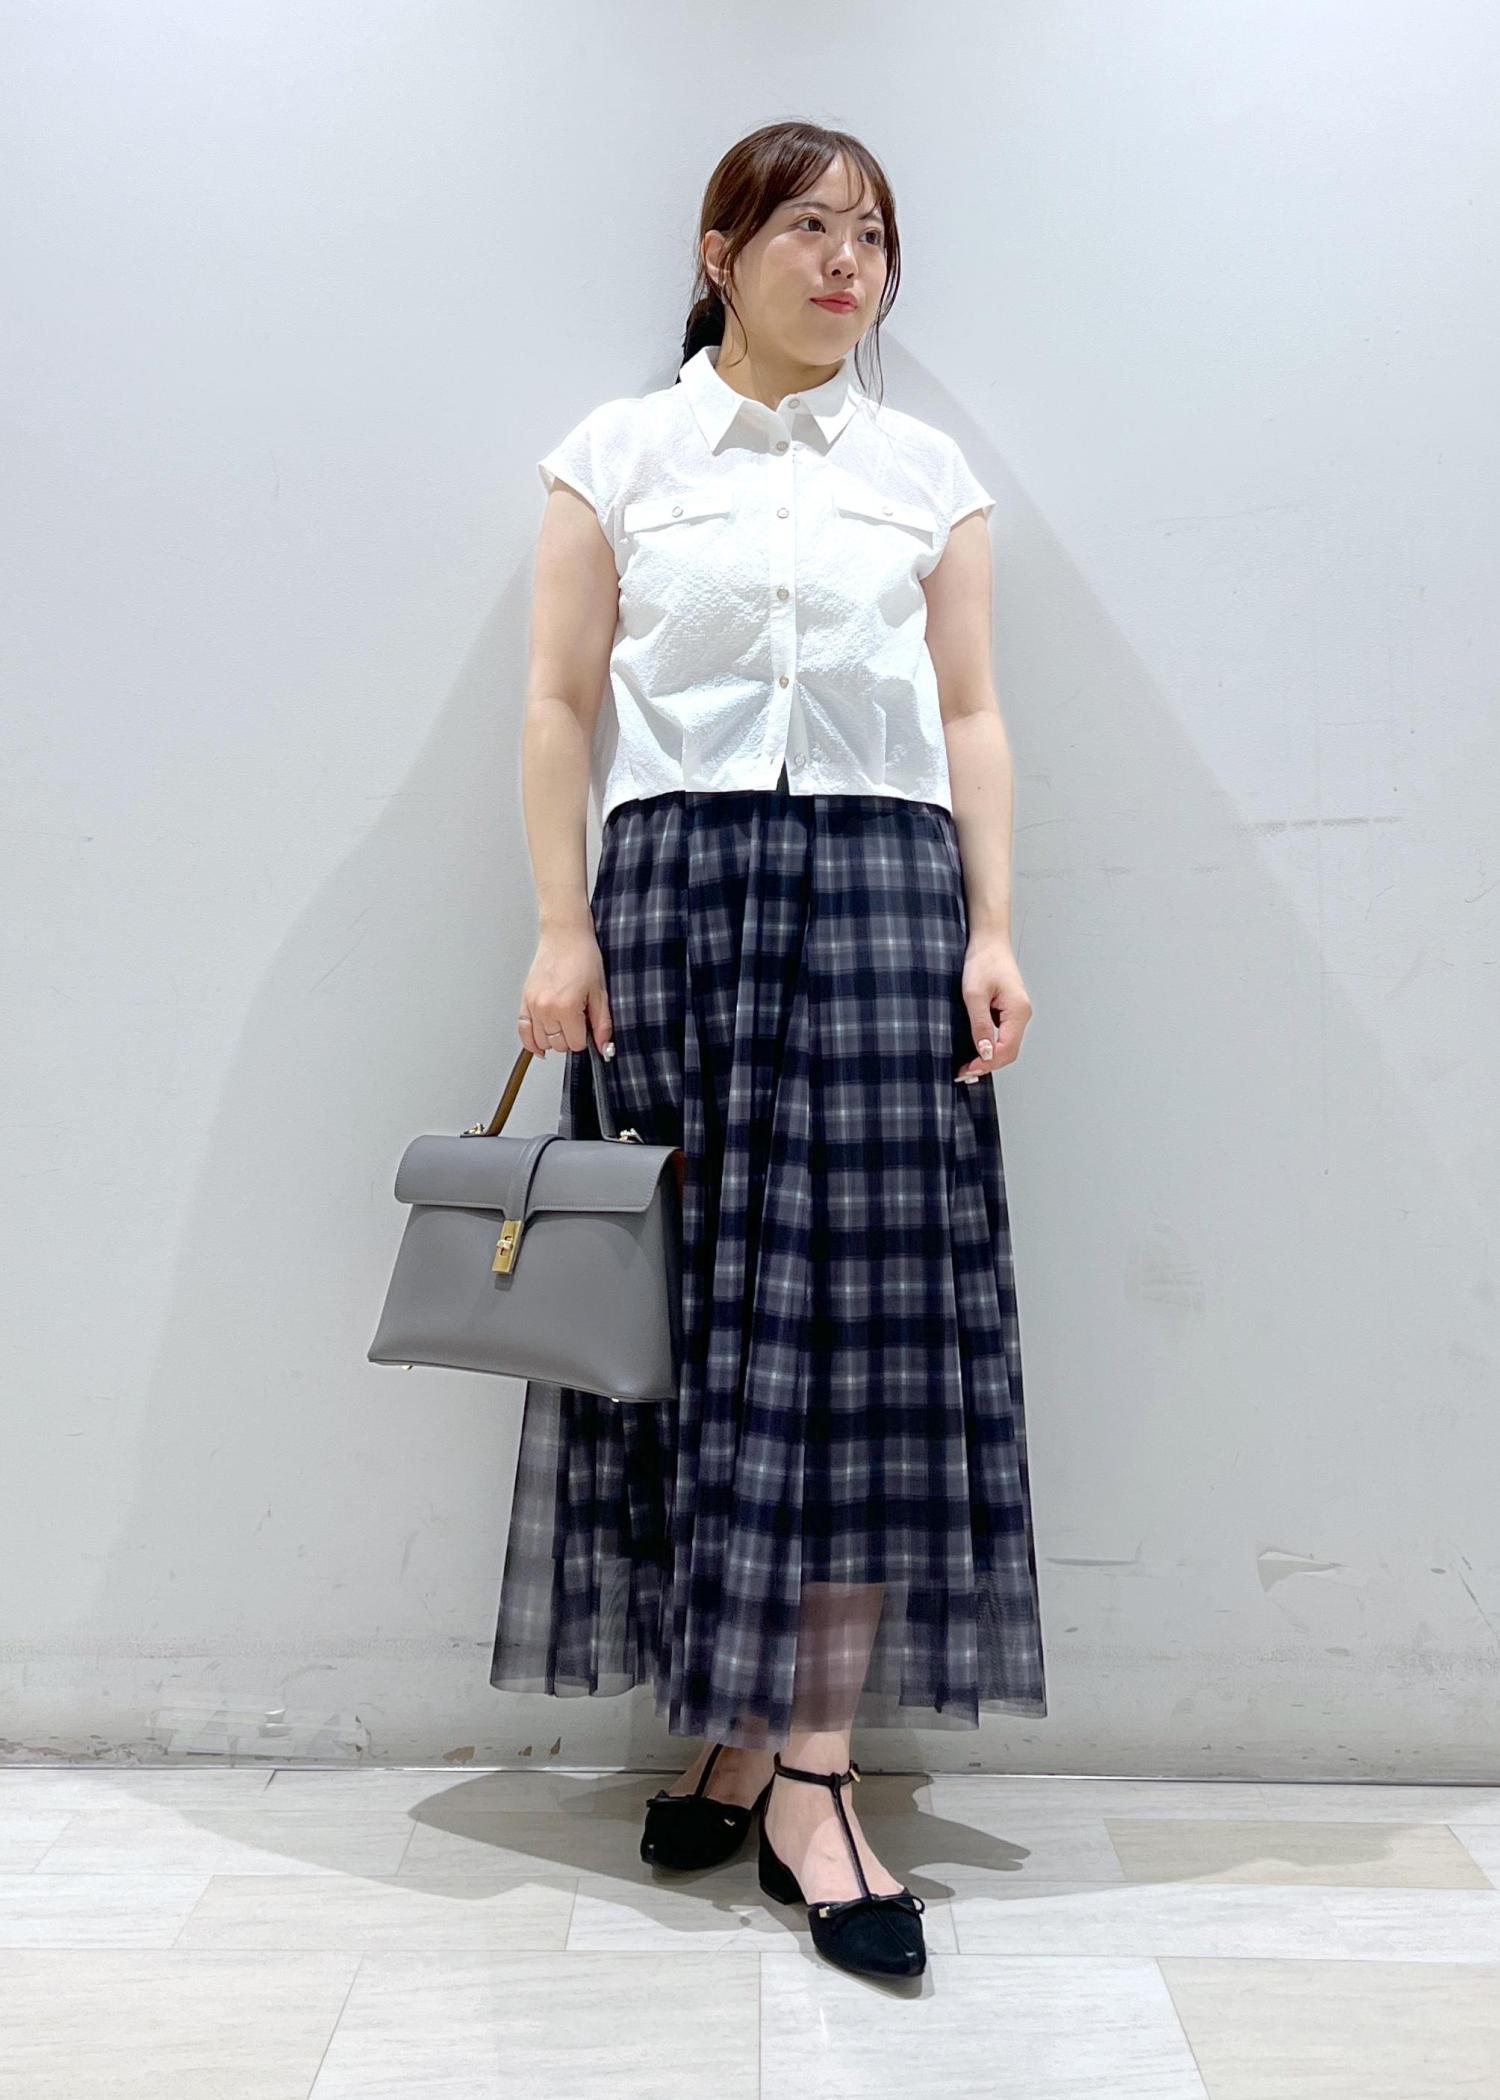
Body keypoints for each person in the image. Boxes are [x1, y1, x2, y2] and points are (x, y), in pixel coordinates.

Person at [490, 119, 1046, 1981]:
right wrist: (560, 925)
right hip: (676, 904)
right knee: (702, 1316)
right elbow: (559, 701)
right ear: (721, 250)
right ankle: (734, 1719)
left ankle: (815, 1769)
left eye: (872, 236)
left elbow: (971, 712)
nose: (846, 263)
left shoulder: (924, 475)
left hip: (885, 899)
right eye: (808, 226)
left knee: (864, 1329)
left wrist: (992, 926)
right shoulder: (616, 456)